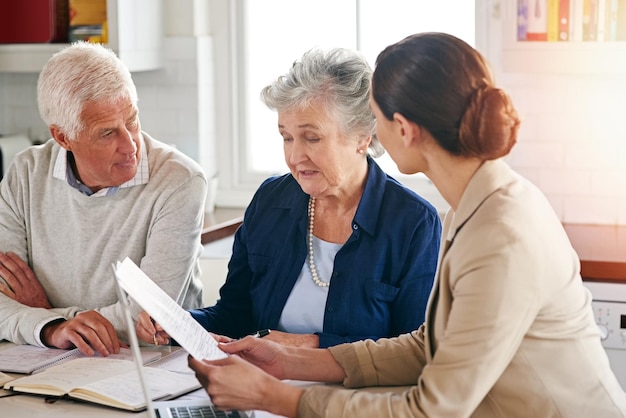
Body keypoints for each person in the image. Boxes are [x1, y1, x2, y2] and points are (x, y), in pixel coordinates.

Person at [185, 33, 626, 417]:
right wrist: (292, 362)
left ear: (403, 129)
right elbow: (426, 347)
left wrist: (282, 399)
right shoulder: (475, 206)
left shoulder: (500, 235)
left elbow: (432, 409)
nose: (371, 132)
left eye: (375, 117)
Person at [137, 47, 442, 348]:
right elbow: (234, 316)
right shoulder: (271, 200)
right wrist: (178, 322)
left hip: (353, 396)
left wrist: (308, 347)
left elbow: (411, 351)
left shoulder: (413, 222)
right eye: (286, 137)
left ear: (363, 137)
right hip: (261, 388)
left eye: (312, 138)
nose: (295, 156)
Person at [0, 42, 207, 357]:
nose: (130, 145)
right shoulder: (26, 173)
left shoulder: (179, 181)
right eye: (107, 133)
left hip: (152, 363)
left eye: (132, 121)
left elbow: (148, 314)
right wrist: (52, 326)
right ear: (63, 137)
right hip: (46, 357)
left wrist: (46, 314)